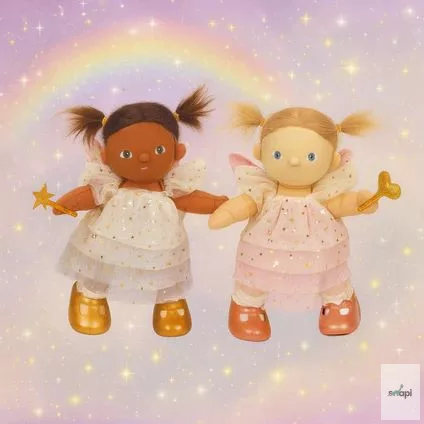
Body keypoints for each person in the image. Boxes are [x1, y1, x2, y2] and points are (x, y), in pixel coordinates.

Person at [55, 86, 228, 337]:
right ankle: (90, 295)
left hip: (161, 246)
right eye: (126, 153)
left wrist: (218, 203)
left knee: (166, 273)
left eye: (159, 151)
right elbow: (89, 195)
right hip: (110, 242)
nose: (145, 158)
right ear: (106, 156)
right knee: (101, 267)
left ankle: (169, 303)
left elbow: (191, 199)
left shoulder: (172, 187)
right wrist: (65, 204)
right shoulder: (110, 186)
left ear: (178, 152)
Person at [209, 104, 379, 341]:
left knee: (331, 276)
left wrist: (361, 202)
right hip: (265, 252)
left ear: (333, 161)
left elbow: (340, 203)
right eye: (277, 155)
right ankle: (247, 305)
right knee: (254, 277)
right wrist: (228, 212)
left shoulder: (323, 193)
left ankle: (338, 301)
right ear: (259, 152)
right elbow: (247, 203)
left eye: (311, 157)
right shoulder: (264, 191)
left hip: (319, 251)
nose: (295, 162)